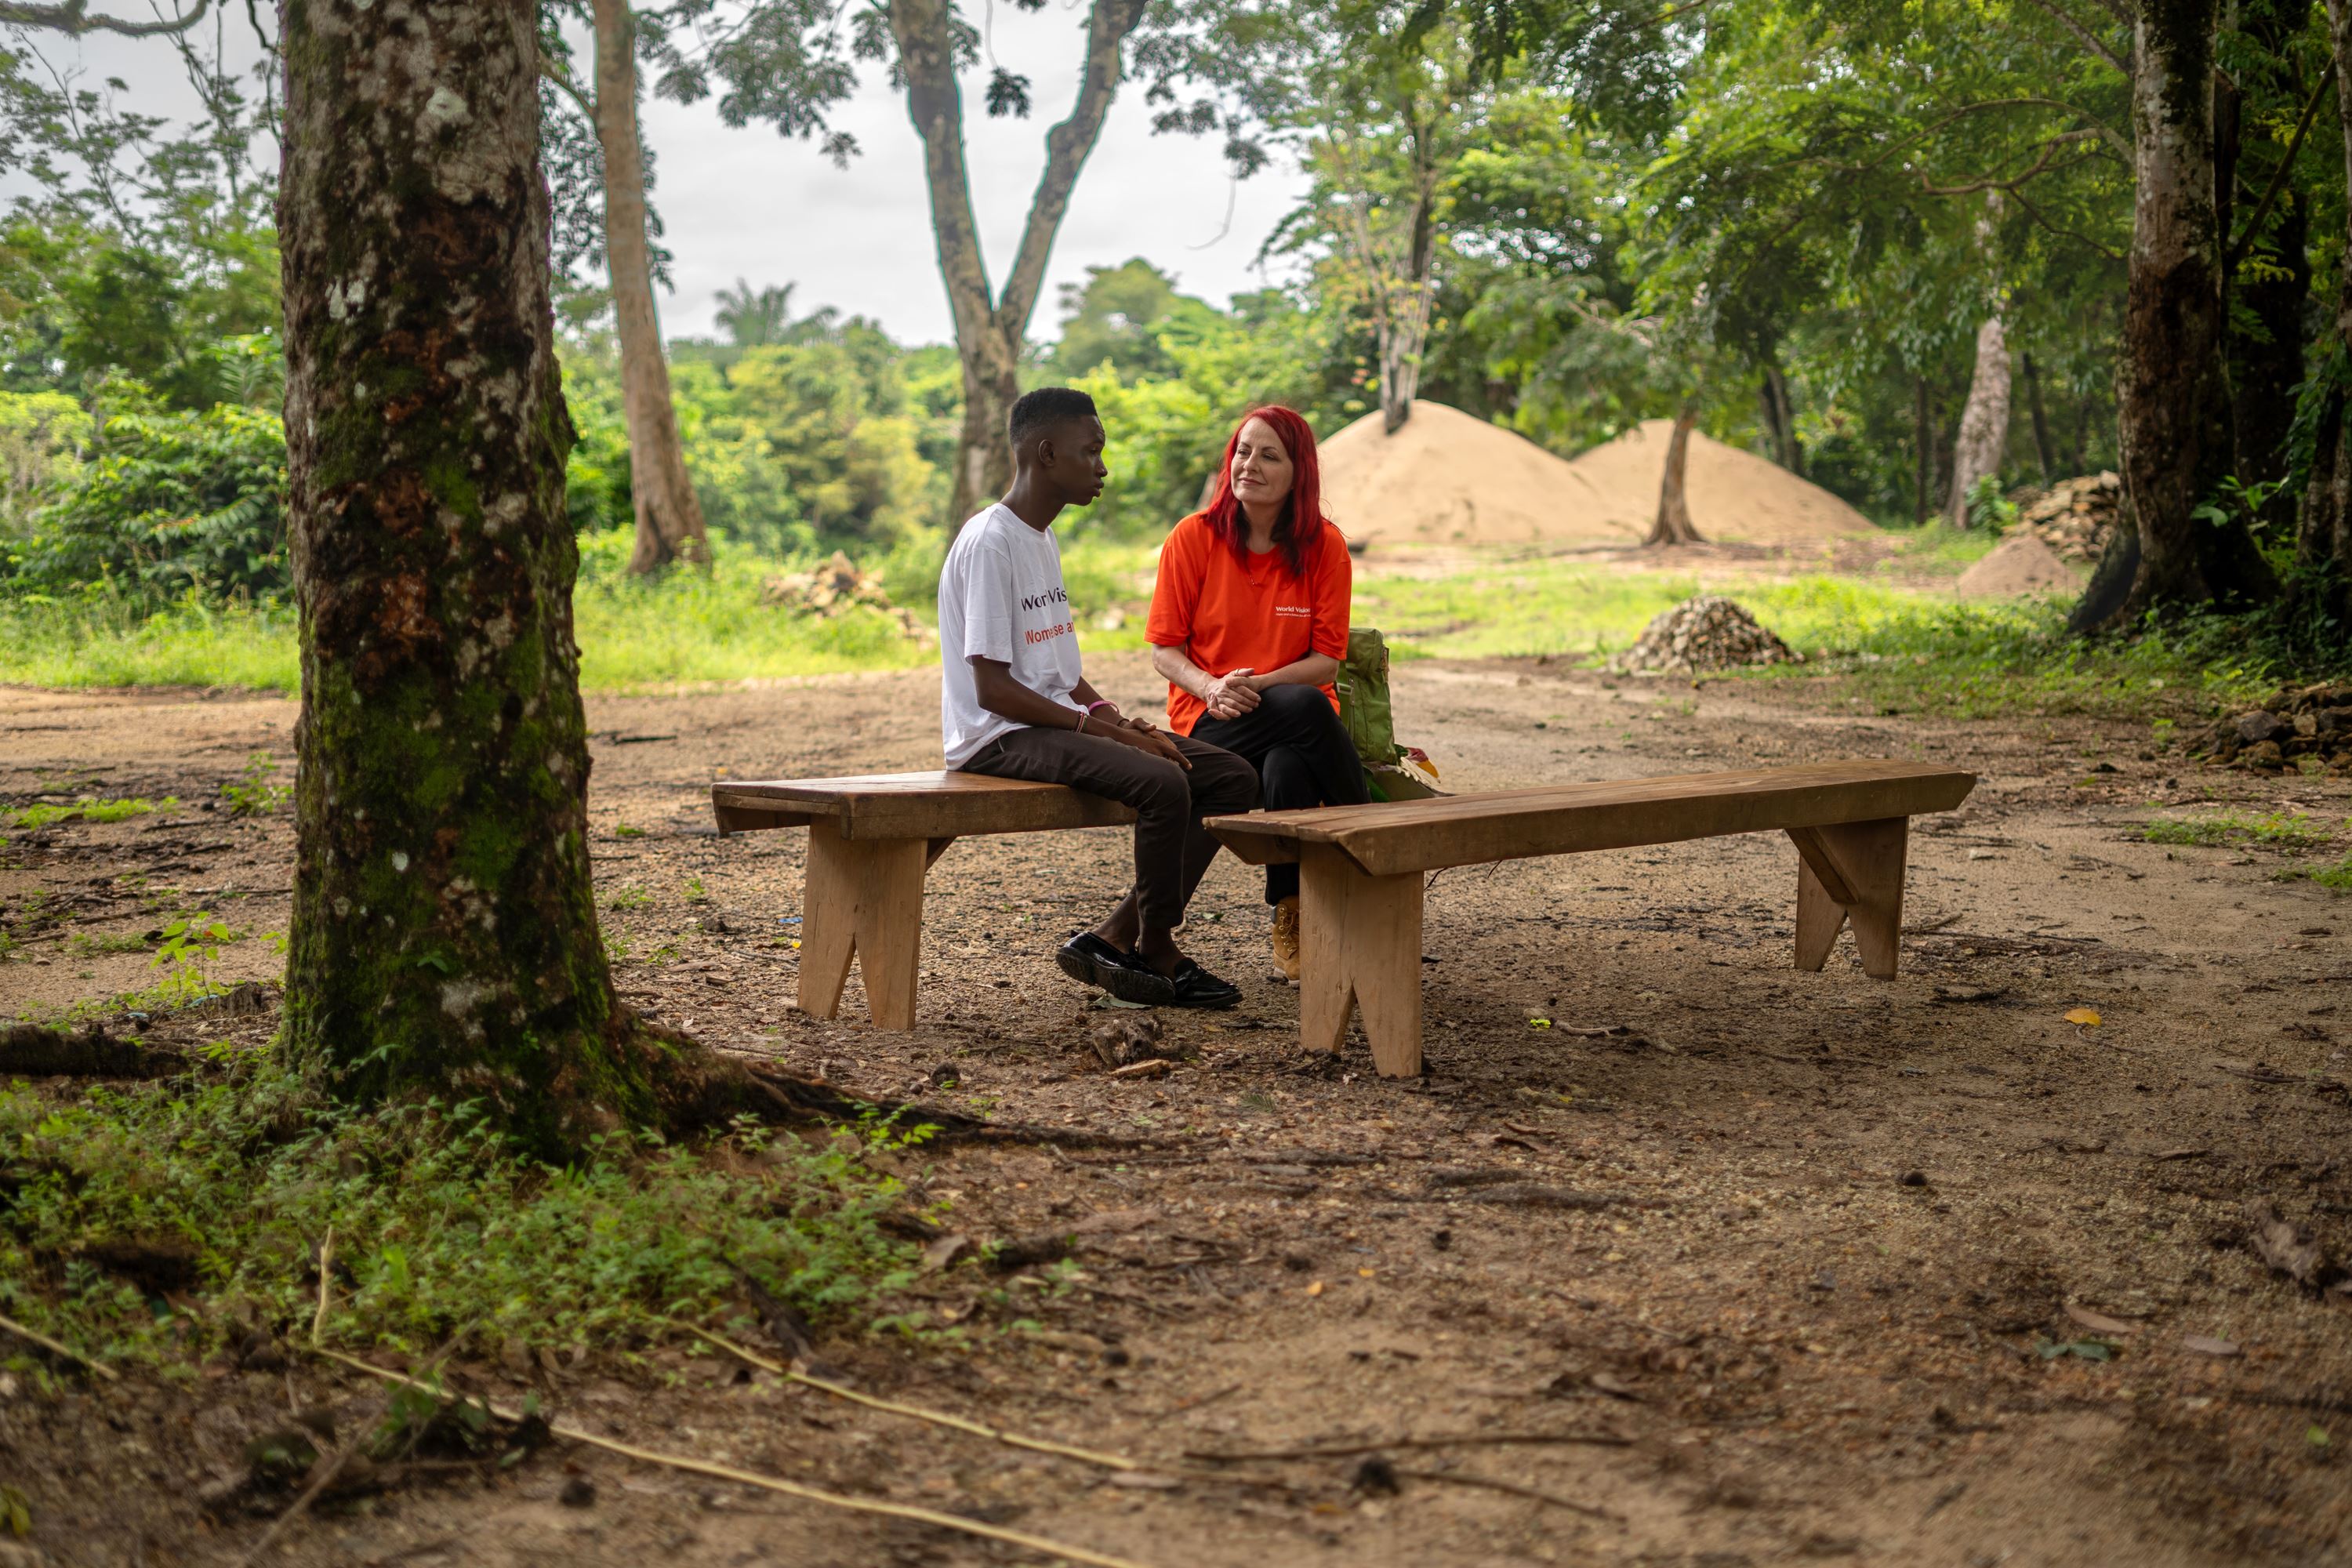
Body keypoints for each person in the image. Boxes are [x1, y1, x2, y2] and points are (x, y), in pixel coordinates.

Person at [940, 387, 1258, 1008]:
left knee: (1229, 776)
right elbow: (994, 688)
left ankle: (1116, 936)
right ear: (1047, 453)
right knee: (1163, 783)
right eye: (1093, 452)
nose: (1103, 467)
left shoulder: (1041, 538)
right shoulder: (990, 543)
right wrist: (1105, 735)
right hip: (996, 738)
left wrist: (1115, 717)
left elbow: (1057, 669)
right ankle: (1157, 950)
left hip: (1049, 725)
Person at [1146, 405, 1368, 982]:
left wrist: (1260, 684)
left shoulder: (1325, 547)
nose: (1250, 465)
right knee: (1304, 710)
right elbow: (1164, 649)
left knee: (1287, 762)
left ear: (1300, 472)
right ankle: (1373, 848)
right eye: (1243, 451)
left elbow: (1327, 659)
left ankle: (1291, 912)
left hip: (1295, 713)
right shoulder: (1193, 538)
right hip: (1212, 720)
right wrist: (1213, 687)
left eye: (1270, 455)